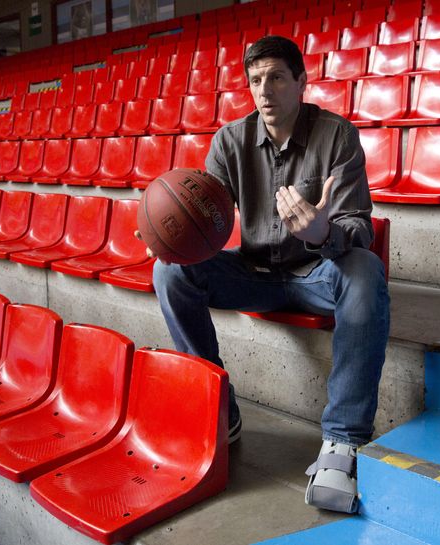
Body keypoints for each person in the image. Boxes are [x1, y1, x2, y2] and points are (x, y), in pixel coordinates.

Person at [148, 36, 390, 514]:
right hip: (253, 271)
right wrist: (171, 237)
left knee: (366, 269)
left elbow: (358, 226)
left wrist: (323, 231)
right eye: (256, 80)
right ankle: (220, 407)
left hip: (319, 272)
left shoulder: (337, 135)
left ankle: (342, 440)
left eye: (277, 77)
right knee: (170, 271)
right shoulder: (230, 141)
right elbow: (205, 217)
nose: (265, 89)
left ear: (301, 82)